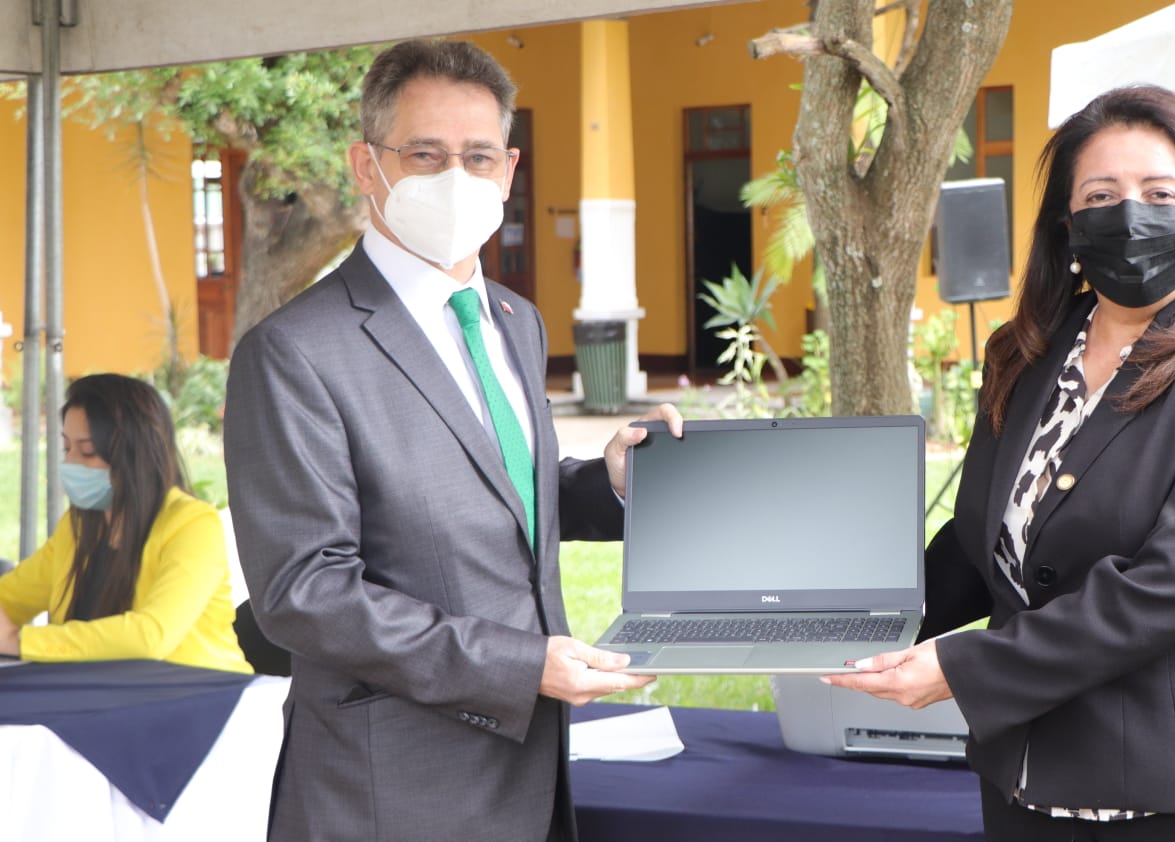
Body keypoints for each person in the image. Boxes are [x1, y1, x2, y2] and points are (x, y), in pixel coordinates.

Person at [828, 84, 1175, 840]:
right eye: (1101, 196)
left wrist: (966, 669)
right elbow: (982, 544)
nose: (1130, 215)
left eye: (1160, 193)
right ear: (1067, 227)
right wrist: (838, 623)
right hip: (1030, 791)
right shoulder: (1023, 355)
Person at [223, 39, 679, 842]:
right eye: (425, 155)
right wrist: (521, 665)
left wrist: (604, 482)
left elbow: (495, 487)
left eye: (477, 157)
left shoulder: (514, 320)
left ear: (508, 170)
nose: (455, 179)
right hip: (390, 787)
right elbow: (305, 591)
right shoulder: (295, 351)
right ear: (366, 166)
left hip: (530, 770)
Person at [0, 374, 250, 674]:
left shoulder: (194, 525)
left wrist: (19, 641)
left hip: (202, 694)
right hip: (102, 691)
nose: (71, 463)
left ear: (133, 453)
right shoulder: (77, 527)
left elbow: (151, 635)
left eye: (88, 451)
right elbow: (10, 597)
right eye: (67, 448)